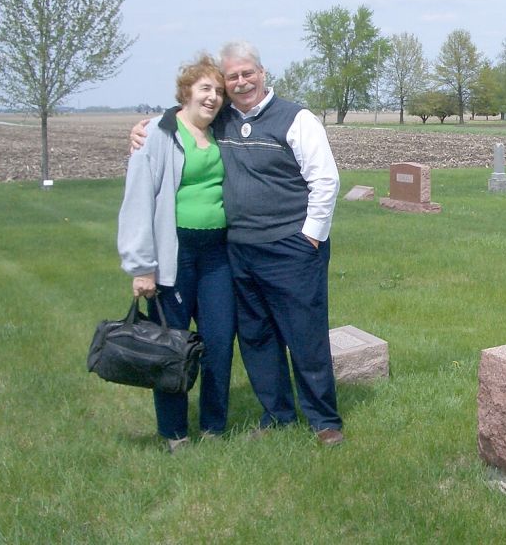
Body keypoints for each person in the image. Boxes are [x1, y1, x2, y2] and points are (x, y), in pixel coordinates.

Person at [131, 40, 344, 445]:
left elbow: (325, 181)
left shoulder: (296, 118)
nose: (241, 81)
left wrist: (310, 238)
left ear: (263, 74)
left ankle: (324, 420)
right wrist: (144, 131)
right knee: (257, 339)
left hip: (292, 248)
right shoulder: (221, 119)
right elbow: (179, 121)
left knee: (305, 336)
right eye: (233, 76)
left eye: (248, 73)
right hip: (239, 251)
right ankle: (277, 414)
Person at [118, 54, 236, 453]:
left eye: (219, 91)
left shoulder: (223, 131)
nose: (213, 97)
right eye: (205, 88)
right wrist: (142, 267)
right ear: (186, 92)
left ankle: (214, 426)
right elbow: (137, 200)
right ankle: (173, 433)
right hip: (175, 254)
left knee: (219, 341)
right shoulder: (156, 133)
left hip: (217, 254)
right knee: (170, 346)